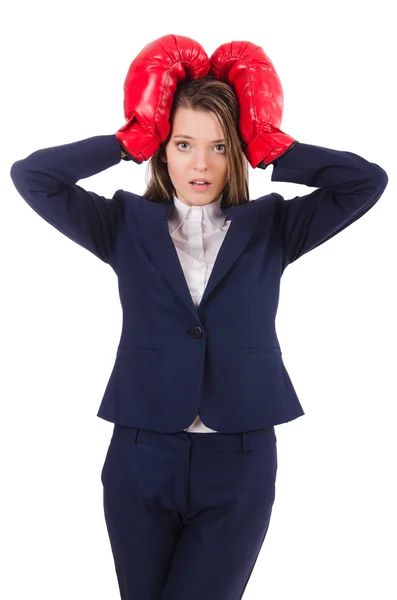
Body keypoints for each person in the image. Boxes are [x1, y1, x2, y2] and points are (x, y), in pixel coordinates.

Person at [9, 34, 388, 599]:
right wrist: (127, 138)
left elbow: (366, 181)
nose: (201, 163)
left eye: (219, 144)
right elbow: (32, 176)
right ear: (162, 147)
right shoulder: (124, 225)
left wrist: (273, 145)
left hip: (238, 460)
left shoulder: (275, 226)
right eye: (183, 143)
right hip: (140, 454)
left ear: (238, 149)